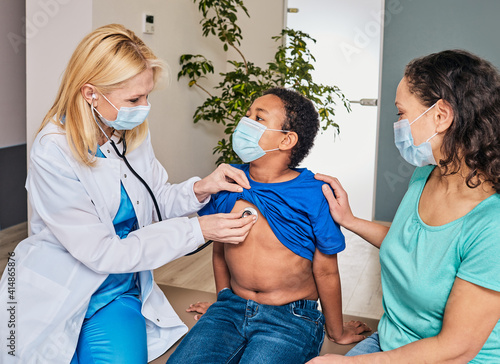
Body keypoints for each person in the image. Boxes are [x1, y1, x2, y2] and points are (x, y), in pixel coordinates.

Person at [0, 24, 257, 364]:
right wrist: (199, 230)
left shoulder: (128, 134)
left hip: (117, 290)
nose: (144, 107)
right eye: (134, 99)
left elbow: (154, 201)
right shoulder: (53, 149)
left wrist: (201, 187)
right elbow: (102, 252)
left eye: (147, 95)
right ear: (90, 93)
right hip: (60, 284)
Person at [308, 49, 500, 363]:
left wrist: (350, 362)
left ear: (440, 115)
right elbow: (416, 251)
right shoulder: (425, 176)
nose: (398, 124)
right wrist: (350, 220)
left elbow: (457, 348)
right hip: (392, 341)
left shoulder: (492, 225)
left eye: (401, 113)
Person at [167, 88, 370, 364]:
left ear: (287, 140)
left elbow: (326, 270)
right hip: (231, 308)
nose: (245, 122)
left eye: (258, 118)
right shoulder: (227, 181)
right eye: (247, 114)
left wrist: (336, 331)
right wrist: (222, 300)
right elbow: (219, 251)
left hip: (291, 317)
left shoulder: (314, 193)